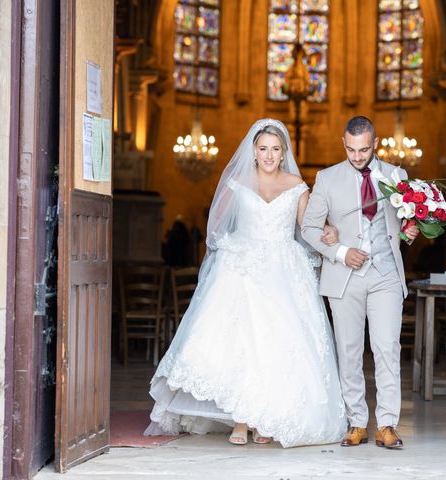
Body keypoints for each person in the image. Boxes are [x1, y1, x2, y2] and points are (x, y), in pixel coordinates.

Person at [144, 119, 347, 448]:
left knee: (277, 343)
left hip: (284, 268)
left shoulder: (297, 185)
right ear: (253, 151)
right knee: (240, 342)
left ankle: (265, 418)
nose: (269, 155)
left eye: (275, 149)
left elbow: (308, 227)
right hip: (241, 266)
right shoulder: (237, 183)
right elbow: (217, 227)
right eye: (263, 148)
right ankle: (241, 418)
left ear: (284, 154)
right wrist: (229, 253)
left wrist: (330, 231)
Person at [301, 116, 419, 449]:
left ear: (375, 143)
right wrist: (339, 251)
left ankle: (387, 424)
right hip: (344, 277)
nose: (357, 156)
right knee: (349, 351)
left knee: (386, 348)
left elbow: (405, 225)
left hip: (385, 274)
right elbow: (309, 228)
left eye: (363, 149)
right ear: (344, 144)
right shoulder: (327, 178)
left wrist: (411, 232)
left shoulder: (397, 176)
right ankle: (356, 423)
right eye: (351, 150)